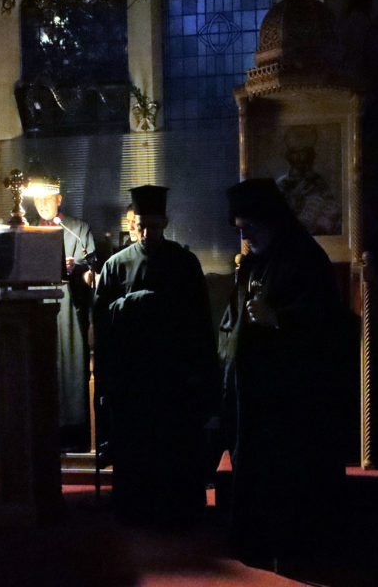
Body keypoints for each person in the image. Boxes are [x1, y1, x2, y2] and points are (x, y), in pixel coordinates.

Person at [218, 178, 347, 565]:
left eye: (250, 228)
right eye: (240, 230)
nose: (246, 238)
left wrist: (277, 319)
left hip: (292, 398)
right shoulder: (256, 260)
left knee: (289, 475)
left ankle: (292, 550)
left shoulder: (305, 258)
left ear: (270, 221)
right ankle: (256, 544)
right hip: (256, 394)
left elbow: (323, 323)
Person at [93, 184, 219, 527]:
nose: (147, 233)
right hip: (132, 375)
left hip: (173, 375)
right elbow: (101, 321)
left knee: (174, 446)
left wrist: (201, 377)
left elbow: (200, 322)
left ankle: (178, 512)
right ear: (133, 224)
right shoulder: (116, 266)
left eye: (154, 226)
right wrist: (131, 303)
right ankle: (135, 512)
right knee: (135, 446)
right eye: (142, 226)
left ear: (165, 223)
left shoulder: (185, 262)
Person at [33, 186, 95, 452]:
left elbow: (90, 265)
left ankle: (73, 432)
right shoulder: (28, 229)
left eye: (48, 199)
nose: (43, 204)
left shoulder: (76, 228)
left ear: (59, 199)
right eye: (38, 199)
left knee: (70, 367)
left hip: (68, 306)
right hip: (36, 306)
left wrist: (76, 267)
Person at [276, 125, 341, 235]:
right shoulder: (281, 184)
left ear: (310, 156)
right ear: (289, 156)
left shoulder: (319, 183)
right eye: (295, 152)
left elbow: (331, 215)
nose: (299, 157)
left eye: (304, 152)